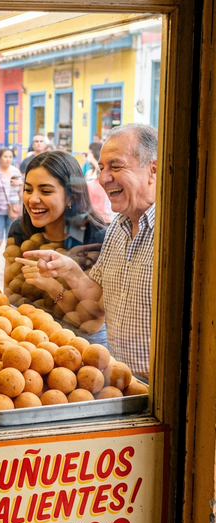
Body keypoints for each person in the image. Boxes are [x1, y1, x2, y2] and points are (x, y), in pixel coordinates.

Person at [21, 123, 157, 378]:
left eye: (115, 166)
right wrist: (70, 271)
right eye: (102, 167)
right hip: (122, 381)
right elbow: (99, 300)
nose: (103, 178)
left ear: (153, 170)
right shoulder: (118, 226)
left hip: (165, 391)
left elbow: (91, 320)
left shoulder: (174, 235)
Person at [8, 151, 107, 317]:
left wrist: (52, 287)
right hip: (22, 331)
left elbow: (92, 320)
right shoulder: (20, 229)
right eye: (28, 190)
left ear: (71, 197)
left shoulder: (96, 238)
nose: (33, 199)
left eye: (45, 191)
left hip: (77, 340)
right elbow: (10, 295)